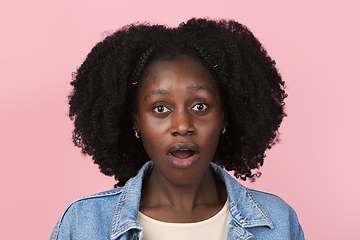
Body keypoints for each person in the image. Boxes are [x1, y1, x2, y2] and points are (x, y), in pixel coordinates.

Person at [50, 18, 304, 240]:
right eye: (160, 108)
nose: (183, 126)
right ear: (136, 120)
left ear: (224, 116)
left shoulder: (277, 222)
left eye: (200, 106)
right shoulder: (84, 224)